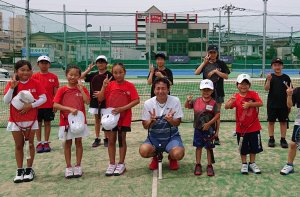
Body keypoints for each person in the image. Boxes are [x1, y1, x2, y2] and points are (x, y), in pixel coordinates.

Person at [3, 60, 47, 183]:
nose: (25, 72)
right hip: (15, 120)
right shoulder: (12, 83)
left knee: (30, 144)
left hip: (31, 120)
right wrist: (12, 88)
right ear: (16, 71)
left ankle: (29, 169)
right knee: (18, 145)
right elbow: (6, 101)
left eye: (28, 70)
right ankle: (19, 170)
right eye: (22, 70)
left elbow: (43, 98)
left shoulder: (36, 83)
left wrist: (31, 106)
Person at [97, 63, 140, 176]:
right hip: (110, 118)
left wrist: (122, 109)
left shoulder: (130, 85)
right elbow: (100, 98)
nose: (118, 75)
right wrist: (103, 86)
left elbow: (136, 100)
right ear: (112, 73)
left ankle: (121, 163)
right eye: (115, 73)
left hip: (124, 118)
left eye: (120, 72)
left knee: (121, 139)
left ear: (124, 72)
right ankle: (112, 163)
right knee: (111, 140)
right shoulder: (109, 85)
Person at [139, 77, 185, 171]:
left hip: (172, 136)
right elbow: (145, 125)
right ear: (154, 90)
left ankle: (172, 158)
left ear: (168, 89)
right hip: (154, 137)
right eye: (158, 88)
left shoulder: (175, 101)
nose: (160, 91)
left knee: (178, 154)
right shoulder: (148, 103)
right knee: (143, 151)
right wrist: (151, 121)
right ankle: (156, 155)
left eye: (163, 88)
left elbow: (178, 123)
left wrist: (171, 120)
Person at [53, 65, 90, 178]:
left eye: (76, 75)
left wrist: (81, 90)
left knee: (79, 142)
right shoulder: (62, 89)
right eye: (70, 75)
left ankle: (78, 166)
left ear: (79, 76)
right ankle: (68, 167)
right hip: (65, 122)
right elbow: (55, 104)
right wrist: (69, 109)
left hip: (79, 121)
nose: (73, 77)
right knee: (67, 143)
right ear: (66, 75)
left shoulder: (82, 88)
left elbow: (87, 102)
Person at [225, 74, 263, 175]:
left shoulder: (253, 94)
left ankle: (252, 163)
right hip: (241, 129)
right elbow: (226, 107)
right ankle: (244, 164)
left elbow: (260, 103)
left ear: (249, 85)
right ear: (237, 85)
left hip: (254, 128)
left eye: (246, 84)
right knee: (243, 148)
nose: (243, 86)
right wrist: (231, 101)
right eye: (241, 84)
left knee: (254, 147)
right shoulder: (235, 96)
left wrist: (250, 104)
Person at [195, 45, 230, 145]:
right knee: (206, 114)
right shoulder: (205, 63)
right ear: (207, 53)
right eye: (210, 52)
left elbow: (226, 76)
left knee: (217, 115)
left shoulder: (221, 63)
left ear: (217, 53)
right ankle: (206, 132)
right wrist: (204, 62)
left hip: (218, 92)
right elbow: (196, 72)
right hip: (206, 94)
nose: (212, 54)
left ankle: (216, 135)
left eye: (214, 52)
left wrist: (216, 71)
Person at [185, 79, 220, 176]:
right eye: (204, 90)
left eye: (208, 90)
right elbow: (187, 106)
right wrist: (188, 100)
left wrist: (209, 124)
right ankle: (198, 164)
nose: (206, 92)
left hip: (209, 130)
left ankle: (209, 165)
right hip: (198, 129)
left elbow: (217, 115)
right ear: (201, 90)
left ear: (212, 91)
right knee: (198, 147)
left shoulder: (214, 103)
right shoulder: (196, 101)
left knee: (209, 148)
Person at [81, 55, 113, 147]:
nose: (100, 64)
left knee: (106, 120)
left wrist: (102, 93)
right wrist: (88, 69)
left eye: (102, 62)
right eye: (99, 62)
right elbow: (80, 77)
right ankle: (97, 138)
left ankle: (106, 138)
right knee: (97, 120)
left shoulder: (110, 75)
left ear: (106, 64)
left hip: (106, 101)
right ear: (96, 64)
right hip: (95, 101)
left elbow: (112, 87)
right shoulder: (93, 75)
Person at [32, 56, 59, 153]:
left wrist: (55, 103)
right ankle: (39, 143)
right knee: (38, 124)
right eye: (42, 63)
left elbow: (56, 92)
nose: (44, 65)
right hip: (37, 105)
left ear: (49, 64)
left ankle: (46, 142)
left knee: (48, 123)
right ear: (38, 64)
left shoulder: (54, 77)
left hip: (49, 105)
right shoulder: (34, 76)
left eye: (46, 63)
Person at [264, 58, 291, 148]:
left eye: (279, 65)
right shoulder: (270, 77)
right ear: (272, 67)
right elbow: (266, 88)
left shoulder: (286, 77)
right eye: (275, 65)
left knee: (283, 122)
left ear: (282, 66)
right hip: (272, 104)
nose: (277, 67)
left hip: (284, 105)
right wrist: (268, 80)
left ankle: (283, 139)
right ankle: (271, 138)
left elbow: (290, 90)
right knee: (271, 122)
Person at [280, 83, 300, 175]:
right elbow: (289, 105)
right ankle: (290, 165)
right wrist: (289, 95)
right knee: (292, 144)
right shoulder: (297, 91)